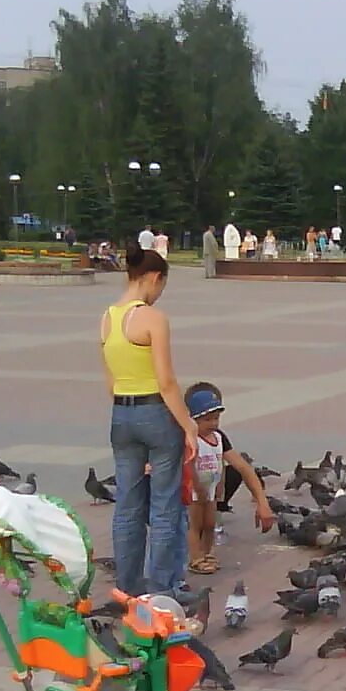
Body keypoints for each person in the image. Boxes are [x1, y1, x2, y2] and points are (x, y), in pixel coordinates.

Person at [100, 242, 194, 597]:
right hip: (156, 411)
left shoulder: (107, 318)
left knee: (127, 503)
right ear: (154, 277)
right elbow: (166, 381)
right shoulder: (153, 319)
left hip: (121, 415)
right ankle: (162, 588)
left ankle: (127, 587)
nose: (159, 294)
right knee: (165, 504)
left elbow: (110, 379)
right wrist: (188, 426)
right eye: (161, 286)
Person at [182, 382, 275, 575]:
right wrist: (196, 486)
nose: (214, 424)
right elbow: (188, 465)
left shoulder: (218, 438)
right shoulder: (188, 438)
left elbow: (239, 466)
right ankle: (196, 557)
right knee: (195, 523)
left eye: (216, 418)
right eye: (208, 419)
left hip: (211, 490)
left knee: (209, 523)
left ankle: (208, 553)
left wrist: (261, 501)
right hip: (194, 491)